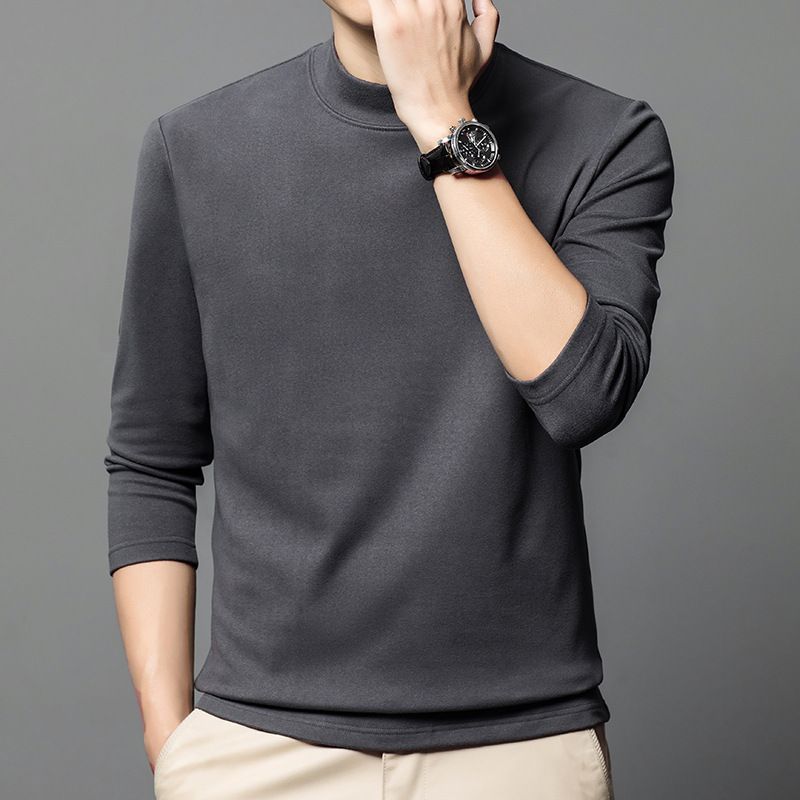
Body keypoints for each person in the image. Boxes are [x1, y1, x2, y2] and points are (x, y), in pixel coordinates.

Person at [104, 1, 674, 797]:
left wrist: (443, 121)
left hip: (516, 746)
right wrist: (172, 740)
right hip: (255, 748)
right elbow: (151, 459)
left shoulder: (604, 134)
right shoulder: (197, 145)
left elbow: (581, 395)